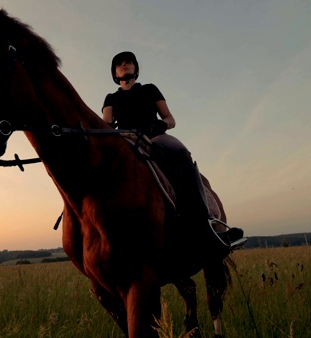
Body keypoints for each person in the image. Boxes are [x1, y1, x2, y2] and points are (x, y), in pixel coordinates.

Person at [102, 51, 244, 261]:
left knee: (180, 154)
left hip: (155, 138)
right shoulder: (111, 98)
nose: (124, 65)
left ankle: (208, 225)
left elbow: (170, 119)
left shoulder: (149, 90)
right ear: (114, 72)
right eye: (119, 64)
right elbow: (105, 125)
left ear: (135, 68)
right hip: (125, 142)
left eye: (128, 62)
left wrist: (156, 126)